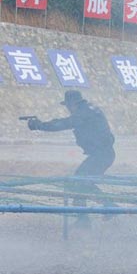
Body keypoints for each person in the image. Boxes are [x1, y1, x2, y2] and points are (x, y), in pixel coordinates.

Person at [27, 90, 116, 226]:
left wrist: (40, 125)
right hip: (101, 154)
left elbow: (64, 124)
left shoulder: (83, 113)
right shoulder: (88, 110)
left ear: (73, 104)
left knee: (80, 181)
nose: (68, 109)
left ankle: (95, 212)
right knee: (81, 181)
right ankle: (101, 209)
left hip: (101, 155)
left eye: (68, 105)